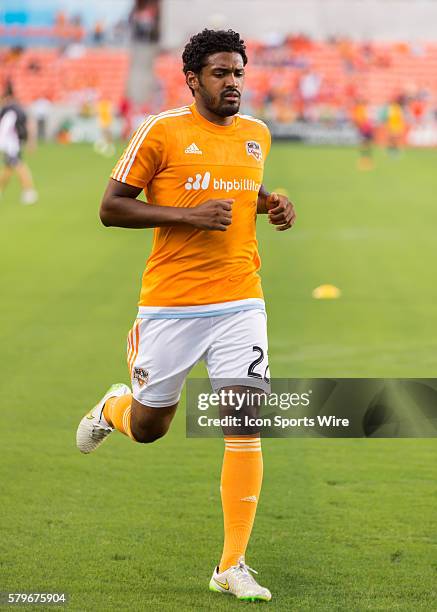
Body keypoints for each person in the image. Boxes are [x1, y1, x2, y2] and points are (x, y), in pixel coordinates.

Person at [76, 29, 296, 602]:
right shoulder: (161, 130)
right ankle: (112, 407)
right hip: (172, 304)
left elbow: (242, 186)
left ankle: (231, 565)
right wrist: (189, 216)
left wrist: (269, 202)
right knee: (150, 428)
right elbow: (110, 208)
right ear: (193, 79)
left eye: (239, 74)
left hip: (242, 300)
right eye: (221, 74)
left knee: (244, 422)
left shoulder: (257, 135)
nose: (233, 84)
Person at [0, 84, 38, 205]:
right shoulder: (19, 108)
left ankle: (29, 191)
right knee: (8, 168)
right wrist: (31, 141)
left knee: (18, 165)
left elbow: (6, 128)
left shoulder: (9, 109)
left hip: (11, 144)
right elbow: (29, 123)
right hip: (14, 142)